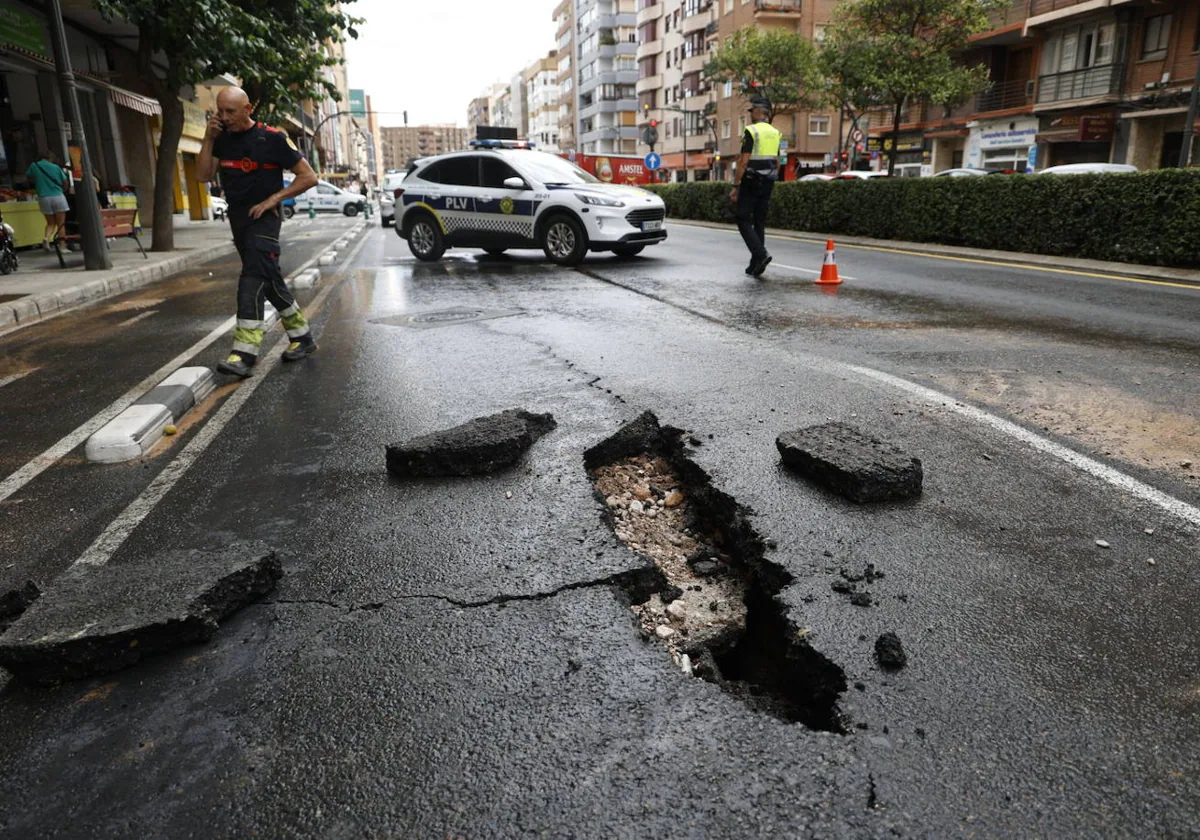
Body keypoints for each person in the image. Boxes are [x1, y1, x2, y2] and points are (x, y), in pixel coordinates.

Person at [197, 87, 320, 378]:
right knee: (269, 278)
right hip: (238, 219)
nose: (225, 117)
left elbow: (309, 176)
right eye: (220, 111)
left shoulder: (272, 138)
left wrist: (273, 199)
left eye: (231, 111)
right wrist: (208, 138)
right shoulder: (221, 139)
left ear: (248, 108)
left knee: (252, 277)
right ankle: (302, 338)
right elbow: (202, 175)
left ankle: (245, 353)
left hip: (265, 217)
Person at [729, 98, 782, 278]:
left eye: (752, 111)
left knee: (742, 217)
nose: (750, 114)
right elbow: (777, 161)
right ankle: (755, 264)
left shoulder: (751, 131)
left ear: (760, 112)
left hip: (751, 179)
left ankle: (760, 254)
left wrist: (736, 185)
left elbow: (743, 162)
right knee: (759, 221)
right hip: (768, 180)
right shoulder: (775, 132)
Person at [25, 150, 69, 252]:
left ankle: (47, 239)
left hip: (43, 197)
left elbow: (29, 178)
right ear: (51, 158)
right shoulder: (56, 167)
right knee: (61, 223)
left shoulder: (34, 165)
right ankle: (62, 246)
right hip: (58, 196)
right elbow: (65, 182)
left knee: (50, 223)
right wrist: (63, 189)